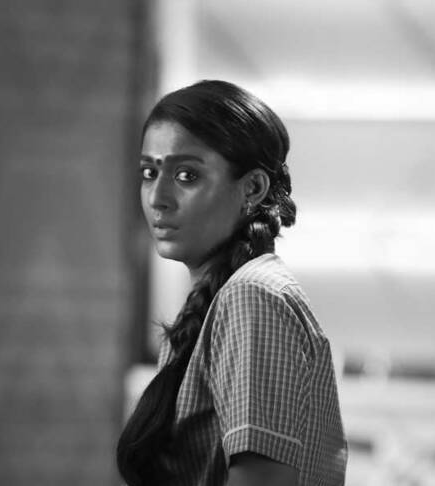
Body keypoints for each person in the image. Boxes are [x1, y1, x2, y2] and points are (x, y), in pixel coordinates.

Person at [117, 80, 347, 486]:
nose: (157, 197)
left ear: (252, 188)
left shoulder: (252, 296)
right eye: (149, 173)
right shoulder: (214, 303)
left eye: (186, 175)